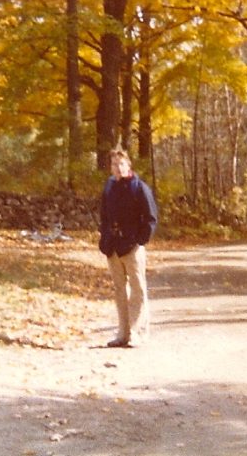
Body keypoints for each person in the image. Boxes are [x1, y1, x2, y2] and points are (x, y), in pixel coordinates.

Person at [98, 149, 158, 348]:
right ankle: (122, 333)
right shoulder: (109, 187)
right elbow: (104, 216)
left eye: (121, 164)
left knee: (138, 289)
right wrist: (104, 238)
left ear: (128, 165)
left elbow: (150, 218)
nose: (118, 168)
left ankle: (136, 332)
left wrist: (139, 241)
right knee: (119, 290)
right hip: (113, 247)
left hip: (132, 246)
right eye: (114, 164)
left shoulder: (139, 187)